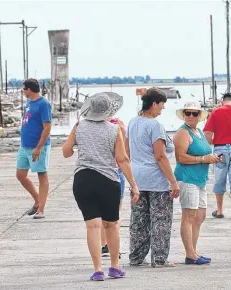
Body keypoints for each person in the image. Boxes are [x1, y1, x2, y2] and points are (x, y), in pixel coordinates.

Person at [62, 92, 139, 281]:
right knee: (111, 225)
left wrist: (77, 146)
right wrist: (134, 186)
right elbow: (122, 159)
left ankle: (97, 270)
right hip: (108, 181)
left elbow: (66, 152)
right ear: (108, 111)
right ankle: (114, 267)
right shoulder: (114, 130)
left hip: (83, 179)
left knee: (93, 226)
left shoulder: (79, 126)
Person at [126, 87, 179, 267]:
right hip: (156, 179)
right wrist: (173, 182)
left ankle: (136, 256)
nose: (162, 109)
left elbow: (127, 151)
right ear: (154, 104)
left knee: (139, 220)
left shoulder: (132, 122)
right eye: (162, 105)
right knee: (160, 220)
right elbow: (160, 156)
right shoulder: (155, 126)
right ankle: (158, 258)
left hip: (137, 177)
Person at [173, 101, 219, 265]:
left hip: (200, 179)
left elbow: (205, 152)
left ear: (199, 116)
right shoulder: (182, 133)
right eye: (188, 113)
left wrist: (212, 158)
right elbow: (180, 157)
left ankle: (194, 251)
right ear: (184, 114)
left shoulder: (198, 131)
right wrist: (202, 159)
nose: (191, 116)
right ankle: (190, 254)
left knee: (200, 216)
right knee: (188, 216)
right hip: (187, 178)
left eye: (194, 113)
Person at [17, 78, 52, 219]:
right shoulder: (28, 102)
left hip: (38, 146)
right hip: (24, 145)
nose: (23, 91)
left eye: (24, 89)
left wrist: (38, 148)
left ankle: (41, 209)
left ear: (29, 89)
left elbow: (47, 127)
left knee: (41, 175)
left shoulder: (43, 104)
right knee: (20, 175)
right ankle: (38, 200)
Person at [102, 99, 126, 256]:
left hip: (99, 170)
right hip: (116, 170)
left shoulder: (89, 126)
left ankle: (104, 244)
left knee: (100, 213)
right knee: (116, 212)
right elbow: (124, 150)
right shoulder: (119, 125)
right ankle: (112, 246)